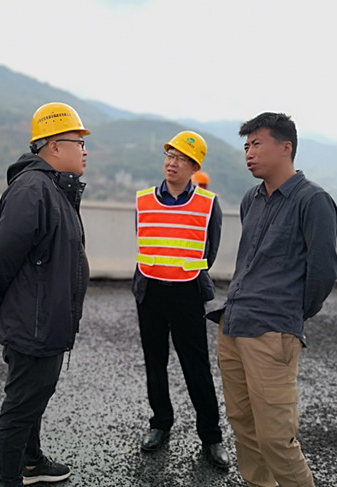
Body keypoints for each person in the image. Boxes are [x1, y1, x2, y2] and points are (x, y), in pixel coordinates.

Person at [210, 112, 337, 487]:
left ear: (286, 147)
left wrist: (289, 315)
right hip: (233, 322)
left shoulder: (313, 200)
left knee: (276, 439)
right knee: (243, 426)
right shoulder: (251, 199)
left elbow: (324, 271)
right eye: (246, 146)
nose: (248, 153)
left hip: (272, 331)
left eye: (257, 144)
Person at [0, 102, 90, 487]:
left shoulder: (55, 189)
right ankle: (10, 479)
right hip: (34, 324)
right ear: (54, 147)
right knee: (20, 407)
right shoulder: (33, 189)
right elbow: (3, 255)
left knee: (34, 399)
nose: (85, 151)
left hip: (47, 320)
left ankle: (30, 462)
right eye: (79, 142)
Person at [132, 131, 231, 468]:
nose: (172, 163)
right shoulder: (143, 200)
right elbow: (144, 238)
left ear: (194, 167)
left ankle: (212, 436)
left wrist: (183, 271)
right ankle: (160, 423)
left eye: (181, 159)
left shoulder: (208, 204)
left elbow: (209, 250)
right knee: (154, 362)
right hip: (150, 291)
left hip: (187, 293)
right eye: (169, 156)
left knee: (196, 367)